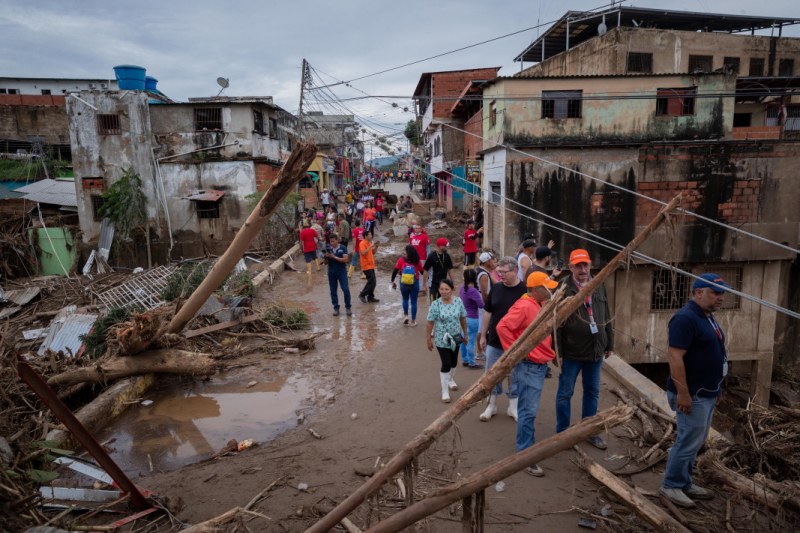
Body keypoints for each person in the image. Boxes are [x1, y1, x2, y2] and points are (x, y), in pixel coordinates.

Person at [659, 273, 730, 508]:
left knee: (696, 440)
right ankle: (671, 485)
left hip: (706, 392)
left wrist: (717, 388)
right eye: (715, 293)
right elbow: (675, 356)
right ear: (698, 293)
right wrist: (683, 393)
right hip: (693, 394)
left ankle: (684, 482)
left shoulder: (706, 316)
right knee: (688, 440)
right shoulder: (685, 318)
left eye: (721, 293)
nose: (720, 297)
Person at [496, 272, 559, 476]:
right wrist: (517, 352)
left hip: (536, 365)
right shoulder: (524, 306)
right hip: (529, 365)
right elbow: (502, 327)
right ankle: (524, 455)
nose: (550, 290)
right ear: (534, 289)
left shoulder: (537, 304)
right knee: (528, 410)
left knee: (528, 409)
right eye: (546, 287)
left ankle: (526, 449)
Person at [555, 249, 614, 449]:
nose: (582, 269)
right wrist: (558, 353)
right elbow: (556, 324)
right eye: (578, 265)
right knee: (565, 393)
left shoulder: (599, 284)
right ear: (570, 267)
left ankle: (589, 432)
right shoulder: (563, 288)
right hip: (572, 352)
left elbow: (606, 314)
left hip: (595, 351)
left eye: (585, 265)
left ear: (590, 265)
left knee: (592, 391)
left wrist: (609, 343)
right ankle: (563, 434)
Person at [477, 256, 527, 422]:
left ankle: (513, 407)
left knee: (515, 375)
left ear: (514, 271)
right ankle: (491, 405)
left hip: (516, 343)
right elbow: (488, 312)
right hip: (494, 341)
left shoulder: (525, 291)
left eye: (503, 272)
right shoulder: (497, 288)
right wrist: (483, 335)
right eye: (498, 272)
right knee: (491, 374)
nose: (500, 275)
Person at [426, 279, 467, 403]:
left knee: (454, 362)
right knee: (446, 363)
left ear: (451, 289)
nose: (443, 292)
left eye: (446, 289)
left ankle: (450, 379)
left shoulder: (458, 301)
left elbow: (463, 318)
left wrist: (465, 334)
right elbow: (429, 322)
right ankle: (445, 392)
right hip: (441, 338)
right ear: (438, 290)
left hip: (456, 337)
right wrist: (428, 338)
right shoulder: (435, 304)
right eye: (441, 289)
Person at [390, 245, 424, 326]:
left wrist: (392, 281)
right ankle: (413, 321)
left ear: (407, 252)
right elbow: (422, 272)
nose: (404, 252)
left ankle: (406, 316)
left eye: (405, 251)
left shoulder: (401, 260)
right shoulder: (417, 261)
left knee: (405, 299)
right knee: (414, 302)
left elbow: (395, 271)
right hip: (414, 283)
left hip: (403, 283)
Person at [459, 268, 484, 369]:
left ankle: (465, 360)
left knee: (463, 339)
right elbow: (481, 305)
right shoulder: (473, 291)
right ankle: (472, 362)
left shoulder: (462, 288)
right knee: (471, 341)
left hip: (463, 317)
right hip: (472, 318)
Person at [323, 234, 352, 317]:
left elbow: (346, 259)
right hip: (331, 272)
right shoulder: (328, 249)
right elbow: (325, 263)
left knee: (345, 289)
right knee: (333, 291)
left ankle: (348, 307)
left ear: (337, 240)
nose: (332, 243)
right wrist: (326, 258)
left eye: (333, 241)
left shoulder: (343, 248)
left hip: (341, 272)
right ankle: (336, 308)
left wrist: (334, 257)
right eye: (330, 241)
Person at [357, 231, 379, 303]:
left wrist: (376, 247)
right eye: (370, 235)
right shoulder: (362, 243)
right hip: (366, 265)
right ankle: (362, 294)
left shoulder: (369, 243)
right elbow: (363, 253)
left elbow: (373, 252)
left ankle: (370, 297)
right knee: (371, 281)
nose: (371, 236)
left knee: (373, 282)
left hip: (371, 265)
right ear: (365, 236)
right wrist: (371, 246)